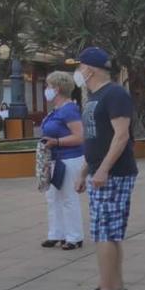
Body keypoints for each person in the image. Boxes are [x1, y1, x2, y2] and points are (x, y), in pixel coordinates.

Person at [70, 47, 137, 290]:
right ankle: (117, 288)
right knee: (110, 233)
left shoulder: (115, 94)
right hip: (101, 172)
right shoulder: (93, 97)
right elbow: (98, 139)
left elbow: (121, 136)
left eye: (80, 66)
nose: (78, 71)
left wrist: (104, 170)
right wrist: (85, 170)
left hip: (114, 174)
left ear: (90, 69)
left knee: (105, 234)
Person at [40, 71, 85, 250]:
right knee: (53, 198)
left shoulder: (69, 110)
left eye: (48, 86)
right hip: (54, 159)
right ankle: (56, 233)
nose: (46, 90)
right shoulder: (57, 110)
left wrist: (56, 142)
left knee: (68, 198)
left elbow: (80, 136)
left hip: (69, 159)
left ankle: (74, 236)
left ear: (57, 89)